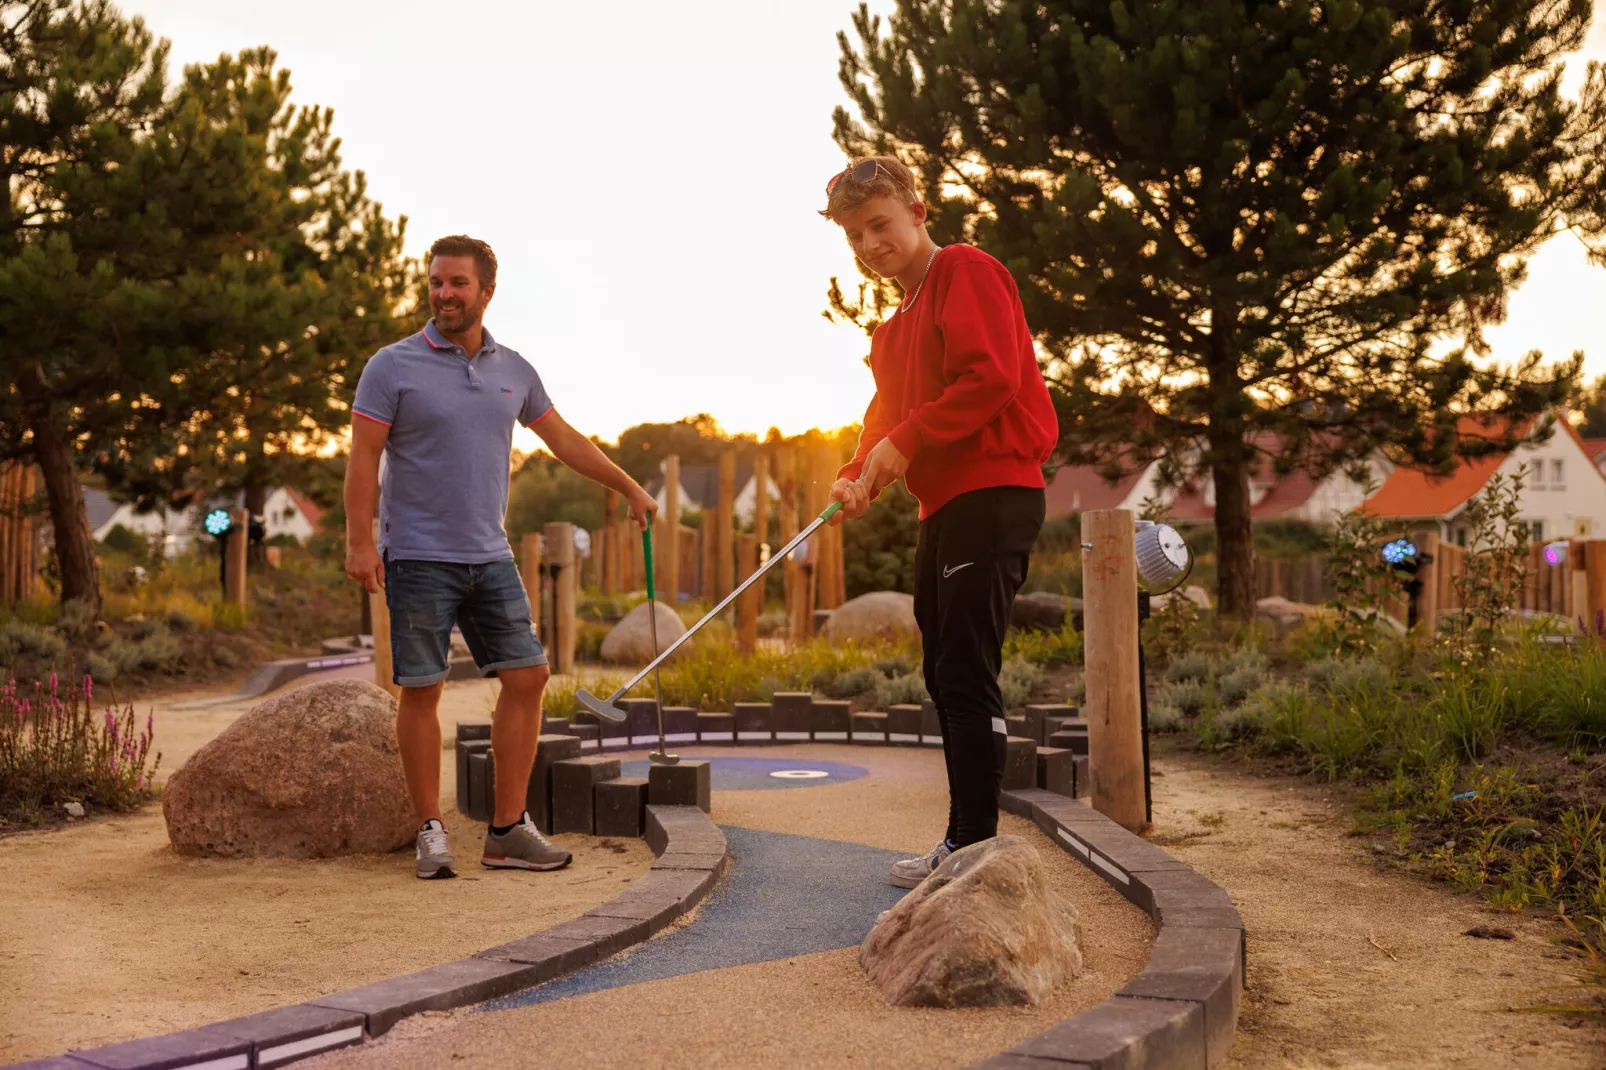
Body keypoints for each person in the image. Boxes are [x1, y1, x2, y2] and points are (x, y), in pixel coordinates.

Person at [345, 235, 655, 880]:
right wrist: (357, 541)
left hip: (490, 554)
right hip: (416, 555)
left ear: (487, 291)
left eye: (457, 283)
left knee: (528, 677)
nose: (443, 293)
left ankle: (507, 830)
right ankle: (431, 830)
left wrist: (627, 484)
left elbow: (563, 438)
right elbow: (363, 459)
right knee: (422, 689)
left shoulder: (513, 369)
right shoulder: (391, 366)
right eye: (436, 281)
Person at [823, 157, 1057, 888]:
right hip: (944, 505)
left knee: (965, 668)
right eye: (856, 234)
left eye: (880, 224)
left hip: (993, 492)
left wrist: (903, 442)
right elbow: (886, 416)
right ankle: (965, 841)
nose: (869, 243)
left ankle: (972, 844)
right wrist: (859, 471)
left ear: (919, 211)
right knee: (943, 670)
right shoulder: (891, 328)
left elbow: (990, 379)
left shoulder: (965, 270)